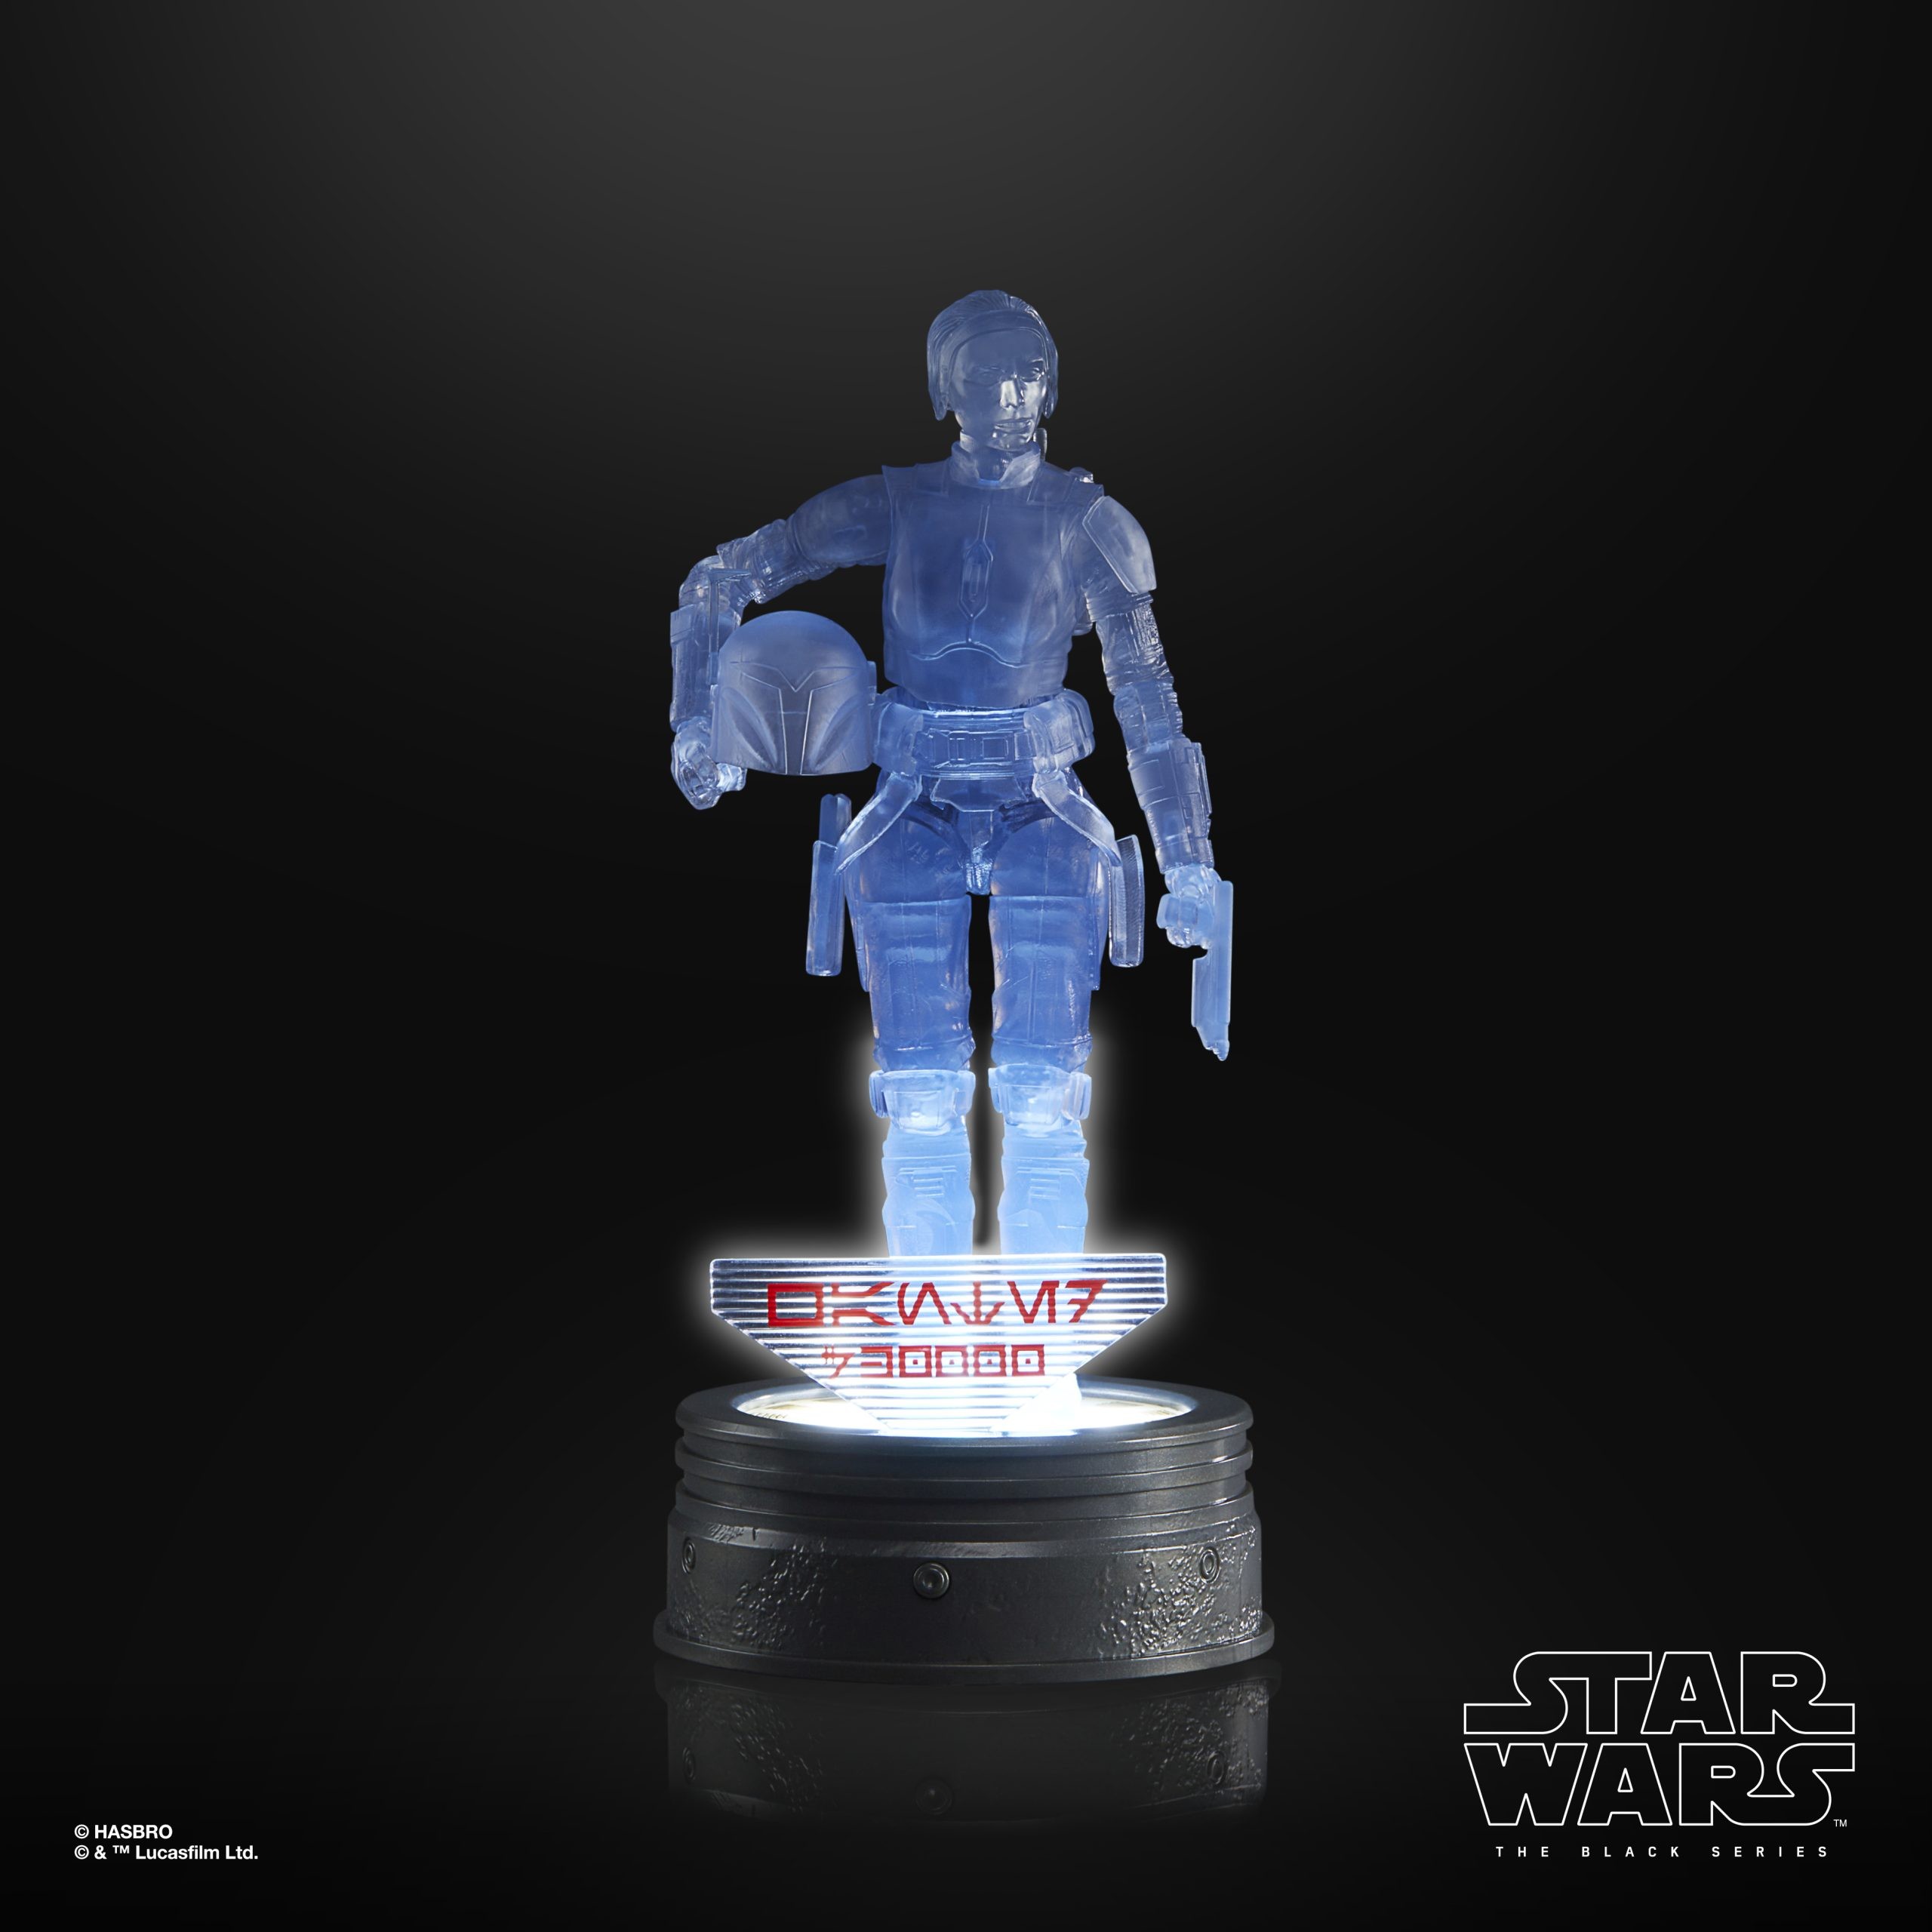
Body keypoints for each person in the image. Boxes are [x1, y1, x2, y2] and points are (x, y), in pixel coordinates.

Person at [667, 291, 1228, 1255]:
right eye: (984, 372)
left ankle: (1042, 1302)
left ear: (1052, 382)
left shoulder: (1088, 523)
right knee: (919, 1092)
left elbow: (1149, 704)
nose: (1009, 395)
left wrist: (1189, 863)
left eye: (1027, 371)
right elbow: (720, 579)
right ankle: (926, 1293)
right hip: (909, 806)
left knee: (1045, 1091)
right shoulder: (895, 503)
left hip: (1043, 808)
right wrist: (701, 723)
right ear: (944, 389)